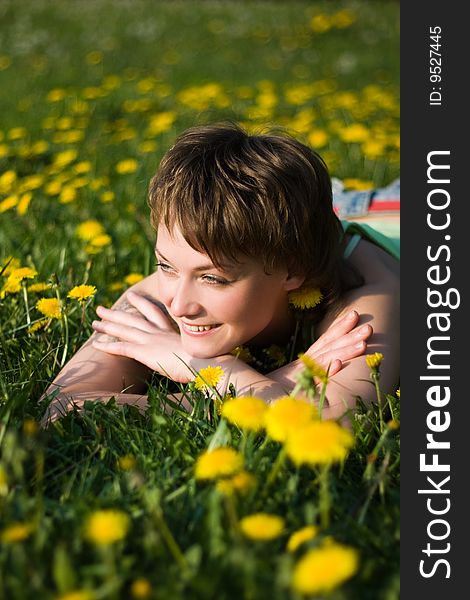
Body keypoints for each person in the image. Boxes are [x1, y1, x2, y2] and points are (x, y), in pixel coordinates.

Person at [41, 123, 399, 425]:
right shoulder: (158, 299)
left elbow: (334, 421)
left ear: (294, 269)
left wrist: (205, 370)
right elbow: (61, 409)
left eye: (213, 278)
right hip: (317, 211)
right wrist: (271, 382)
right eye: (165, 265)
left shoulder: (366, 293)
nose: (179, 305)